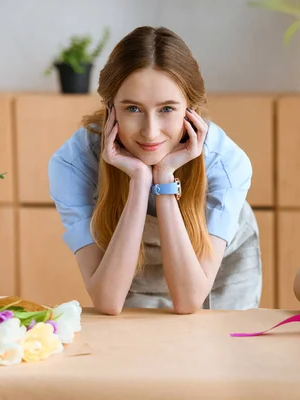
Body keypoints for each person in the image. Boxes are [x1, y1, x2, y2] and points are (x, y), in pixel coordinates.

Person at [48, 26, 262, 315]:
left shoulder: (226, 162)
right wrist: (138, 182)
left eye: (167, 109)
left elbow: (189, 300)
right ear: (110, 108)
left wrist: (165, 178)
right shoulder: (74, 164)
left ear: (191, 107)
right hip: (129, 258)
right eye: (133, 109)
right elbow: (107, 300)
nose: (150, 132)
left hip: (217, 263)